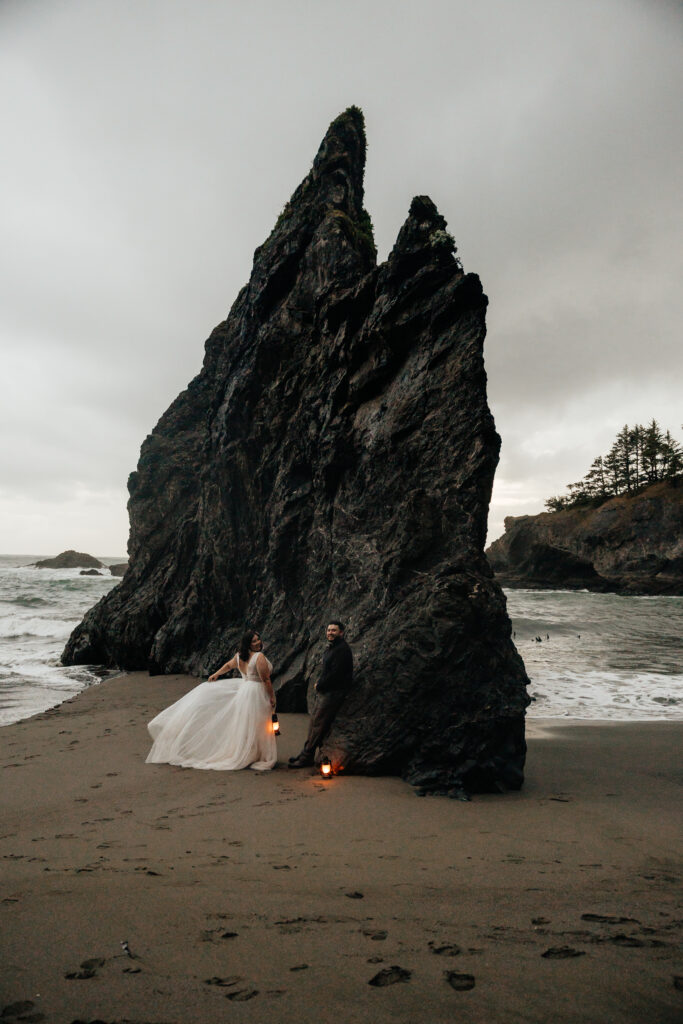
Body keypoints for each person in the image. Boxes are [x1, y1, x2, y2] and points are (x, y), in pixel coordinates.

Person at [146, 629, 277, 771]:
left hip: (244, 690)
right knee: (259, 723)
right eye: (254, 641)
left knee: (246, 723)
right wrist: (272, 697)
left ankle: (249, 752)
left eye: (258, 639)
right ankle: (257, 754)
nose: (258, 642)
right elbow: (266, 680)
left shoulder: (240, 656)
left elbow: (229, 666)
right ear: (248, 644)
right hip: (256, 691)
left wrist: (216, 674)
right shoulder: (259, 657)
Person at [289, 620, 353, 768]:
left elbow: (336, 674)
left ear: (341, 633)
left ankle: (306, 757)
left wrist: (321, 684)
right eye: (329, 630)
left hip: (334, 692)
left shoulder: (342, 650)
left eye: (334, 630)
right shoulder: (333, 648)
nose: (330, 633)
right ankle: (305, 753)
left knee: (318, 724)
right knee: (313, 724)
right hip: (327, 691)